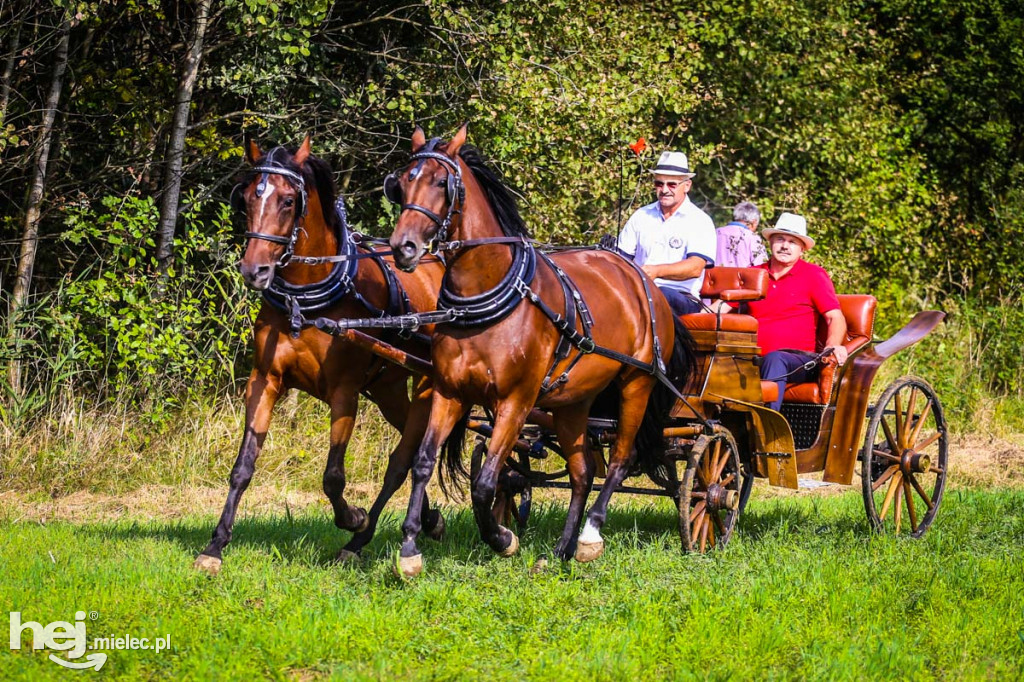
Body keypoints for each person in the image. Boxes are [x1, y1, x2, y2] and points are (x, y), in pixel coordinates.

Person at [732, 212, 849, 411]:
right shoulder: (755, 274)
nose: (785, 246)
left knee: (775, 359)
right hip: (752, 357)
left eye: (792, 242)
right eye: (780, 239)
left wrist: (832, 347)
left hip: (799, 361)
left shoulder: (814, 275)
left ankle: (764, 434)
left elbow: (834, 317)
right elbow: (722, 306)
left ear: (802, 249)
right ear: (771, 243)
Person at [616, 151, 716, 316]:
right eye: (659, 184)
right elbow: (621, 258)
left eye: (672, 184)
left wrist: (656, 271)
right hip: (639, 291)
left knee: (658, 294)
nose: (664, 190)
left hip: (682, 297)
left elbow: (695, 268)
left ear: (687, 186)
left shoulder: (700, 221)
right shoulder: (641, 215)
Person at [716, 201, 768, 268]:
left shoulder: (716, 232)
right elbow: (762, 266)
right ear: (754, 222)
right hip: (741, 277)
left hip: (713, 277)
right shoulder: (754, 238)